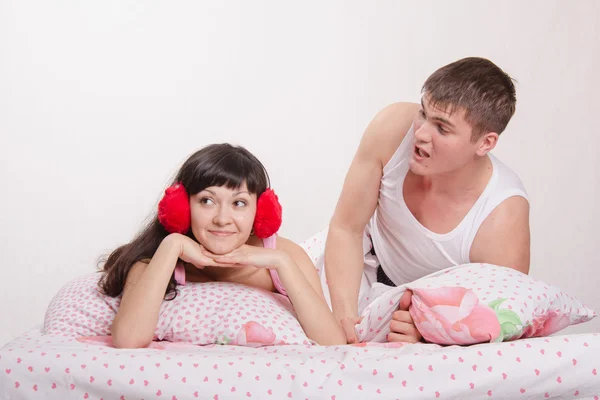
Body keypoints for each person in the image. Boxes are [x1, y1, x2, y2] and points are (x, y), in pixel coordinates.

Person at [325, 57, 530, 344]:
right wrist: (344, 315)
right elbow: (346, 228)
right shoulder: (392, 128)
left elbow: (501, 323)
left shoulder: (502, 215)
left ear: (485, 143)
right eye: (423, 113)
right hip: (360, 267)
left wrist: (429, 332)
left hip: (434, 314)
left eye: (442, 129)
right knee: (274, 270)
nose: (420, 134)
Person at [99, 143, 345, 348]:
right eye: (207, 201)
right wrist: (171, 245)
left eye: (239, 203)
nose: (222, 219)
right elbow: (128, 340)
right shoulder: (155, 260)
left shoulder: (285, 256)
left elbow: (332, 343)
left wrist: (280, 261)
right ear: (181, 207)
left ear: (260, 212)